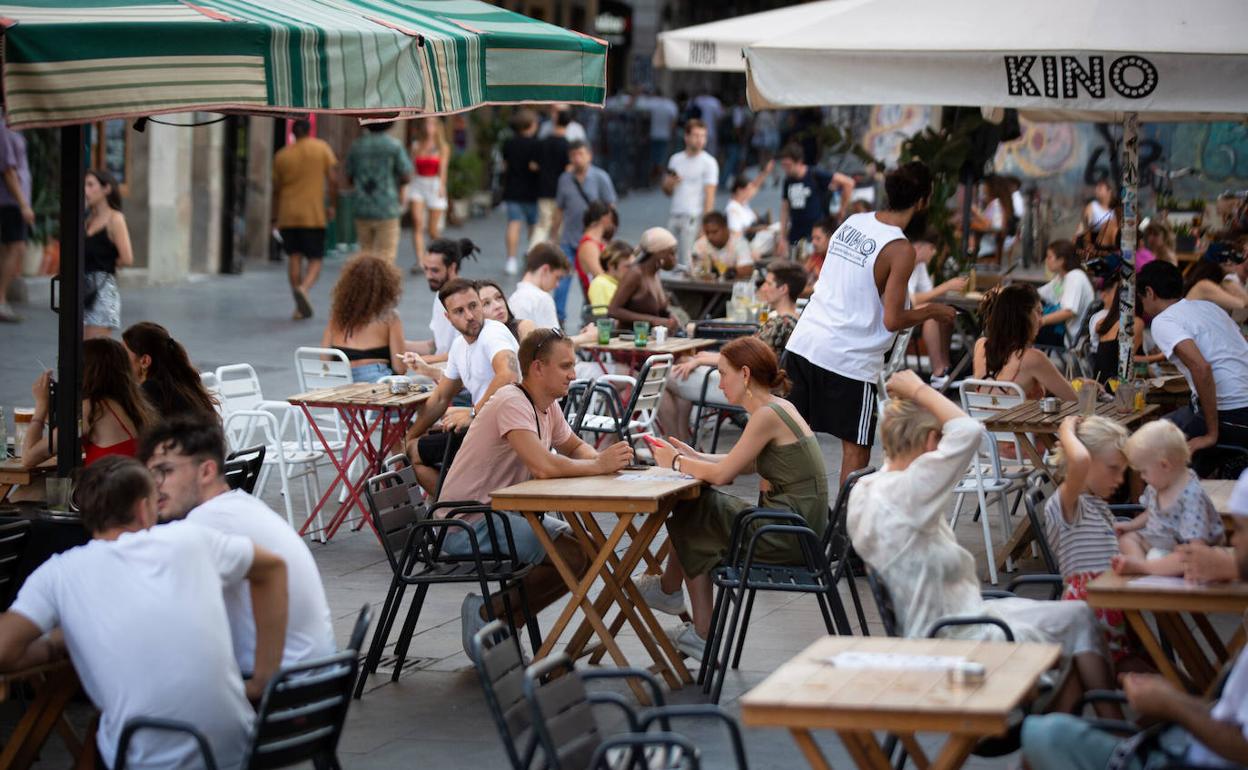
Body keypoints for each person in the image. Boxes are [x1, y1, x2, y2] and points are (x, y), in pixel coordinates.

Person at [0, 456, 289, 769]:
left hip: (145, 756)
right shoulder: (190, 539)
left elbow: (4, 649)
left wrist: (53, 644)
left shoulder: (59, 572)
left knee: (104, 729)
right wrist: (264, 679)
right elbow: (273, 567)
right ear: (142, 508)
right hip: (238, 749)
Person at [850, 371, 1114, 712]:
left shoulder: (871, 489)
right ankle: (1110, 736)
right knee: (1079, 629)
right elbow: (969, 431)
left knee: (1078, 615)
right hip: (956, 637)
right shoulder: (906, 493)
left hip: (957, 618)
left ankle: (1072, 736)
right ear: (932, 442)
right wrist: (917, 388)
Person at [440, 328, 633, 652]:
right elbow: (544, 465)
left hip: (501, 515)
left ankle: (501, 623)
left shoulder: (546, 403)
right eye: (565, 366)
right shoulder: (511, 401)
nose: (573, 374)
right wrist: (600, 466)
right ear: (537, 368)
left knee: (585, 552)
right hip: (466, 523)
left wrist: (603, 459)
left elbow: (572, 445)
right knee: (572, 556)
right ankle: (488, 613)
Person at [1021, 503, 1248, 770]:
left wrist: (1173, 704)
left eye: (1242, 529)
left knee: (1041, 733)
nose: (1232, 539)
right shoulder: (1085, 505)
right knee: (1051, 721)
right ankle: (1117, 726)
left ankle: (1117, 729)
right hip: (1186, 741)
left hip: (1186, 756)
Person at [642, 337, 827, 660]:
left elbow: (725, 475)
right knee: (696, 507)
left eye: (723, 374)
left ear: (744, 374)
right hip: (798, 526)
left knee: (695, 505)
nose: (720, 383)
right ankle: (674, 597)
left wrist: (674, 462)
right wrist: (693, 455)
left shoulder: (766, 415)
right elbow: (746, 463)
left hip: (787, 534)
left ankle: (690, 616)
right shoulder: (779, 408)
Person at [784, 161, 956, 486]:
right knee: (856, 451)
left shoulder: (854, 221)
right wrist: (933, 311)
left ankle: (778, 519)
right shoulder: (900, 249)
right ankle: (844, 530)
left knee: (784, 439)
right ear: (923, 201)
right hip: (850, 357)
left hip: (805, 341)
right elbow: (893, 319)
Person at [142, 415, 335, 672]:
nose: (155, 485)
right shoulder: (239, 505)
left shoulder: (206, 522)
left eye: (165, 472)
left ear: (207, 471)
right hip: (317, 679)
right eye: (150, 473)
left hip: (286, 688)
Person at [659, 261, 805, 441]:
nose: (763, 288)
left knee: (661, 377)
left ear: (783, 289)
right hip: (758, 382)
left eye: (768, 283)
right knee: (682, 371)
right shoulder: (796, 320)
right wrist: (708, 358)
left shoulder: (778, 323)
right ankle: (682, 440)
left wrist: (702, 360)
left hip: (746, 383)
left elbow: (750, 359)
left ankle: (674, 441)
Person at [404, 279, 521, 494]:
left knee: (414, 454)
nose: (469, 315)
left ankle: (461, 509)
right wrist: (410, 436)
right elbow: (440, 398)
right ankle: (466, 504)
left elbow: (509, 374)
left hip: (505, 434)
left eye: (473, 306)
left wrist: (474, 412)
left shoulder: (493, 333)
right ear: (448, 318)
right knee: (412, 447)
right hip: (485, 432)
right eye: (459, 311)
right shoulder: (460, 346)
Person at [1046, 415, 1133, 661]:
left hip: (1107, 602)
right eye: (1113, 469)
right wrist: (1065, 428)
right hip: (1087, 607)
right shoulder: (1068, 504)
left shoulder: (1095, 505)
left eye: (1123, 471)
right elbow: (1080, 460)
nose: (1120, 480)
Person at [1138, 260, 1248, 451]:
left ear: (1149, 292)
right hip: (1238, 408)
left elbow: (1201, 368)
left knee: (1147, 442)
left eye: (1141, 298)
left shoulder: (1163, 320)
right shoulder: (1208, 307)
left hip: (1231, 414)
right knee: (1171, 422)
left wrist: (1210, 435)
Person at [23, 338, 156, 469]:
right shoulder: (130, 404)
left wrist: (41, 404)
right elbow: (63, 442)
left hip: (109, 487)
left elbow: (29, 458)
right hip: (127, 484)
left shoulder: (92, 407)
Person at [1113, 420, 1223, 577]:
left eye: (1144, 471)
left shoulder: (1190, 495)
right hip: (1159, 540)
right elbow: (1151, 512)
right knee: (1128, 539)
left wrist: (1192, 559)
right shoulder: (1157, 485)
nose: (1143, 477)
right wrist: (1130, 526)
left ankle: (1144, 567)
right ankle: (1143, 572)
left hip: (1182, 548)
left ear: (1164, 465)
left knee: (1186, 558)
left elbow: (1197, 546)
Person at [272, 119, 338, 320]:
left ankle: (299, 307)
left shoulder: (282, 155)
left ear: (293, 132)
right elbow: (333, 179)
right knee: (316, 258)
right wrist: (332, 204)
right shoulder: (321, 148)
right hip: (313, 213)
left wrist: (275, 216)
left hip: (288, 213)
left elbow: (276, 189)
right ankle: (304, 288)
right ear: (309, 131)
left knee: (294, 256)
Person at [973, 284, 1079, 401]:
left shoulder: (980, 346)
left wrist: (1075, 383)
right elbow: (1073, 399)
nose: (1041, 320)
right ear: (1023, 315)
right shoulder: (1033, 358)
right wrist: (1082, 387)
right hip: (1018, 419)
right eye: (1038, 312)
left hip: (981, 419)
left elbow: (1002, 387)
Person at [322, 254, 410, 382]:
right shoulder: (389, 317)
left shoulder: (337, 316)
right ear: (387, 286)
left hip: (339, 381)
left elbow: (324, 359)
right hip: (376, 381)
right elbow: (400, 368)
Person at [344, 121, 411, 263]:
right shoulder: (394, 145)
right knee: (386, 256)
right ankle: (382, 285)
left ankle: (367, 284)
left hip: (362, 206)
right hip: (387, 207)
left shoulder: (356, 146)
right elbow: (406, 174)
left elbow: (349, 176)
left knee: (365, 255)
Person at [121, 321, 217, 419]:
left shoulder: (150, 393)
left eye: (123, 354)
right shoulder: (182, 384)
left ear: (145, 361)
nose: (119, 359)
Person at [908, 230, 968, 386]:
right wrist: (946, 286)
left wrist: (947, 291)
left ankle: (946, 366)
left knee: (944, 311)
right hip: (897, 313)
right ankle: (938, 371)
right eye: (932, 249)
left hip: (909, 311)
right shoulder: (905, 262)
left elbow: (929, 293)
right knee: (932, 312)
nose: (933, 253)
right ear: (920, 247)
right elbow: (910, 299)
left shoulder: (919, 265)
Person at [407, 237, 480, 363]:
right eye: (426, 269)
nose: (428, 276)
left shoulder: (466, 299)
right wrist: (397, 343)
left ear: (452, 268)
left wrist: (422, 361)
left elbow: (463, 352)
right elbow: (436, 346)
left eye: (434, 270)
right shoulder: (440, 294)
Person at [776, 142, 854, 258]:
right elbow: (785, 208)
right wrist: (782, 236)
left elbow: (848, 183)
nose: (785, 169)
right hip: (796, 232)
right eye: (783, 166)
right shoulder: (788, 181)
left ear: (798, 161)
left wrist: (842, 209)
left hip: (815, 232)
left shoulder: (814, 174)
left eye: (788, 165)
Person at [83, 169, 133, 338]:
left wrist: (106, 262)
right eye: (84, 185)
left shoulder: (115, 219)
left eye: (90, 185)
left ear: (106, 189)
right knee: (78, 350)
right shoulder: (87, 219)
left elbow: (127, 258)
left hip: (102, 289)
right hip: (82, 288)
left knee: (92, 352)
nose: (85, 190)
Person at [663, 119, 718, 270]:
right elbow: (667, 191)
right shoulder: (675, 159)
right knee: (668, 256)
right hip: (675, 214)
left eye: (703, 136)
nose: (700, 140)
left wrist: (706, 226)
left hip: (693, 217)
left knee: (687, 259)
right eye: (696, 135)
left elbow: (710, 196)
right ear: (686, 137)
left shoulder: (709, 162)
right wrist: (670, 183)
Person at [608, 227, 681, 334]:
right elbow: (613, 310)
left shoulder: (655, 274)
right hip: (629, 340)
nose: (675, 258)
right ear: (658, 254)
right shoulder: (635, 273)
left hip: (651, 339)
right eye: (671, 253)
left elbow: (659, 311)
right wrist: (653, 320)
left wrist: (670, 318)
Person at [406, 116, 450, 274]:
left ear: (438, 127)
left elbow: (443, 169)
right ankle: (420, 260)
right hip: (418, 184)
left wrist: (442, 186)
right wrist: (406, 190)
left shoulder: (442, 147)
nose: (428, 127)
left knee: (432, 230)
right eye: (426, 124)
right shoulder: (416, 145)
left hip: (434, 184)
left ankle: (443, 257)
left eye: (432, 123)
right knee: (417, 223)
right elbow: (411, 169)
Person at [0, 114, 32, 323]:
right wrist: (23, 204)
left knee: (10, 249)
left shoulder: (12, 125)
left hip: (13, 201)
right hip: (9, 202)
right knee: (16, 247)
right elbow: (8, 170)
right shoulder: (2, 127)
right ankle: (0, 300)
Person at [501, 110, 541, 276]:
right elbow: (535, 166)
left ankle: (511, 260)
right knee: (533, 225)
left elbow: (504, 165)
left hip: (512, 188)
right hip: (532, 189)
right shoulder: (537, 144)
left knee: (513, 223)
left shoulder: (509, 143)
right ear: (531, 125)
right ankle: (531, 256)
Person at [1035, 239, 1095, 348]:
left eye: (1049, 257)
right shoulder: (1061, 278)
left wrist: (1040, 321)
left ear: (1061, 260)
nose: (1046, 261)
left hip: (1066, 334)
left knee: (1021, 330)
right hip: (1061, 329)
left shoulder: (1075, 277)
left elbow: (1069, 312)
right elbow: (1039, 293)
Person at [531, 111, 570, 248]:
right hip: (562, 190)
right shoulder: (567, 145)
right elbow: (569, 169)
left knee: (543, 224)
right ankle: (558, 255)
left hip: (544, 188)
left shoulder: (543, 142)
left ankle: (533, 252)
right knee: (560, 225)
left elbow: (533, 165)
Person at [509, 242, 569, 330]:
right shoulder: (542, 299)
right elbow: (556, 342)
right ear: (545, 269)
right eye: (557, 277)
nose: (557, 285)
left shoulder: (514, 298)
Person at [1184, 243, 1248, 313]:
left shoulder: (1224, 281)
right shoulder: (1205, 285)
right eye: (1225, 258)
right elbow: (1242, 304)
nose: (1230, 261)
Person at [692, 211, 752, 280]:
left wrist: (718, 267)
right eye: (707, 232)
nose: (710, 236)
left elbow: (747, 269)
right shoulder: (700, 244)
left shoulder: (740, 243)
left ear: (725, 228)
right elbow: (695, 270)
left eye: (714, 232)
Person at [574, 201, 617, 294]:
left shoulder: (599, 242)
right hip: (599, 300)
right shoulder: (589, 245)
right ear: (605, 218)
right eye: (611, 218)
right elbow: (600, 275)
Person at [725, 165, 773, 240]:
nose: (751, 191)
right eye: (749, 189)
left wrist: (765, 172)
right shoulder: (732, 209)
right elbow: (737, 234)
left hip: (756, 233)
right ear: (740, 190)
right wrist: (758, 229)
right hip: (749, 242)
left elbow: (755, 186)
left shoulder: (742, 202)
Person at [639, 92, 679, 183]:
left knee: (654, 157)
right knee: (661, 157)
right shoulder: (670, 105)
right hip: (664, 135)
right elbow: (673, 122)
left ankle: (655, 176)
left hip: (653, 134)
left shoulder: (651, 103)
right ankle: (659, 176)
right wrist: (671, 133)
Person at [587, 241, 632, 316]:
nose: (631, 270)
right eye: (627, 266)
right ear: (610, 265)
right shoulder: (600, 284)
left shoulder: (621, 282)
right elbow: (602, 318)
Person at [803, 215, 837, 284]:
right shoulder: (816, 255)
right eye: (813, 238)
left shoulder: (837, 260)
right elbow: (802, 274)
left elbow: (828, 286)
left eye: (818, 238)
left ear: (830, 238)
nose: (813, 242)